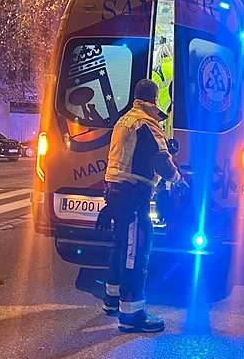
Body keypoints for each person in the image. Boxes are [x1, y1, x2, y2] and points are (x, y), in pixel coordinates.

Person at [101, 79, 186, 333]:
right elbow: (160, 160)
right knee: (135, 252)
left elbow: (135, 153)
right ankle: (131, 315)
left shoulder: (126, 119)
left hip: (116, 190)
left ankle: (112, 299)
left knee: (120, 246)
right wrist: (178, 180)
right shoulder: (147, 123)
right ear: (155, 98)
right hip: (133, 194)